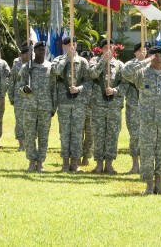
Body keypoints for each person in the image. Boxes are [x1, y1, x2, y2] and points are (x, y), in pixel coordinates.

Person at [120, 46, 161, 195]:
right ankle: (148, 185)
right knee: (147, 153)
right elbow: (126, 72)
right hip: (147, 122)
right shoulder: (142, 74)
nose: (159, 58)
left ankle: (159, 184)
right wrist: (145, 60)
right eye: (156, 55)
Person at [51, 36, 92, 172]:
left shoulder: (83, 62)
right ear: (64, 46)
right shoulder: (58, 60)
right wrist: (67, 58)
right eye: (69, 45)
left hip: (79, 103)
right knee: (65, 133)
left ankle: (74, 163)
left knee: (76, 133)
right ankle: (64, 163)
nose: (72, 47)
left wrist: (79, 88)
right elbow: (56, 71)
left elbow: (88, 82)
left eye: (74, 44)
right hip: (63, 102)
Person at [17, 41, 56, 171]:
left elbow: (53, 89)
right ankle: (31, 161)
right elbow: (19, 87)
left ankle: (40, 162)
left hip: (45, 107)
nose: (42, 51)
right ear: (34, 51)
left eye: (43, 49)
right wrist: (24, 90)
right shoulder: (27, 67)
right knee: (30, 135)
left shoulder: (50, 68)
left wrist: (53, 107)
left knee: (43, 136)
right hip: (30, 107)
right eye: (39, 49)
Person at [88, 39, 123, 174]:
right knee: (98, 133)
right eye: (105, 48)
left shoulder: (119, 65)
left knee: (112, 134)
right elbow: (92, 74)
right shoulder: (94, 62)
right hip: (98, 104)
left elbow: (124, 84)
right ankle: (98, 164)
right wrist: (103, 61)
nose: (108, 50)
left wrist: (115, 91)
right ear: (101, 49)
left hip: (113, 105)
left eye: (111, 47)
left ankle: (109, 164)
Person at [120, 42, 149, 174]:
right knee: (135, 136)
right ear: (136, 52)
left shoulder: (151, 65)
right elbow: (126, 73)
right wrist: (142, 61)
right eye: (141, 50)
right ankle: (135, 164)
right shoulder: (130, 65)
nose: (144, 53)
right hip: (134, 106)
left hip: (149, 107)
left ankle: (146, 165)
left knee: (148, 136)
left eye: (146, 50)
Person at [9, 43, 30, 152]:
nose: (28, 55)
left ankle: (29, 143)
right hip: (19, 97)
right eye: (26, 53)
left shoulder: (33, 64)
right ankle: (21, 144)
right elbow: (12, 81)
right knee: (19, 121)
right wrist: (11, 96)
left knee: (29, 121)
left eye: (29, 53)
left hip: (30, 97)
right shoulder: (16, 65)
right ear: (22, 54)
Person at [80, 50, 94, 166]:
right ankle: (77, 156)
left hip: (92, 107)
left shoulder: (94, 72)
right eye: (86, 58)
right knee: (78, 133)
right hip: (80, 106)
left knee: (90, 134)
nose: (88, 60)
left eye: (90, 58)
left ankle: (86, 157)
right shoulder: (79, 72)